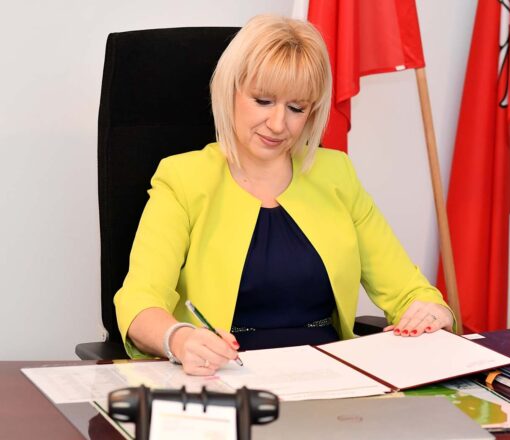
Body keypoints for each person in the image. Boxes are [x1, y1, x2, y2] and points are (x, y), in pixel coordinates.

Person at [114, 14, 454, 376]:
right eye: (263, 101)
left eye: (296, 108)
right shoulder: (183, 179)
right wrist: (180, 339)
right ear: (230, 91)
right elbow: (140, 301)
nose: (278, 125)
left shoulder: (336, 174)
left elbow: (409, 291)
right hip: (224, 375)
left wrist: (431, 311)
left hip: (330, 379)